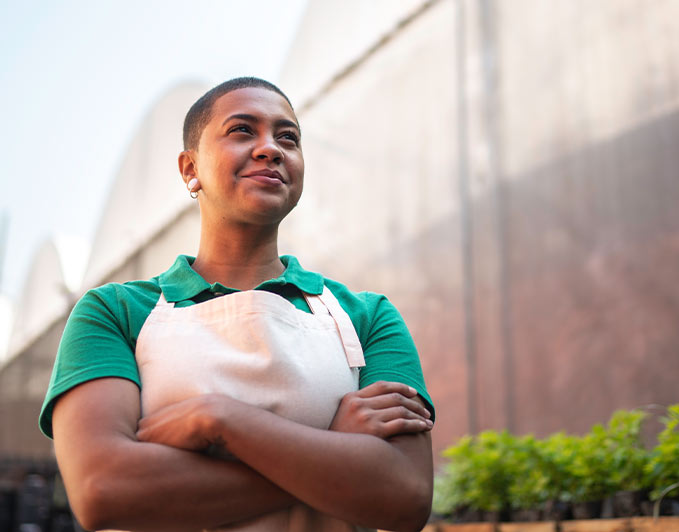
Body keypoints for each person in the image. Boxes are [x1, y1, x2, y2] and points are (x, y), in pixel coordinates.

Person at [39, 77, 435, 532]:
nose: (271, 148)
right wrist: (334, 447)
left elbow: (406, 495)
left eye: (288, 137)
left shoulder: (368, 316)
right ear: (191, 169)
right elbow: (103, 491)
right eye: (242, 131)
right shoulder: (112, 313)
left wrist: (221, 419)